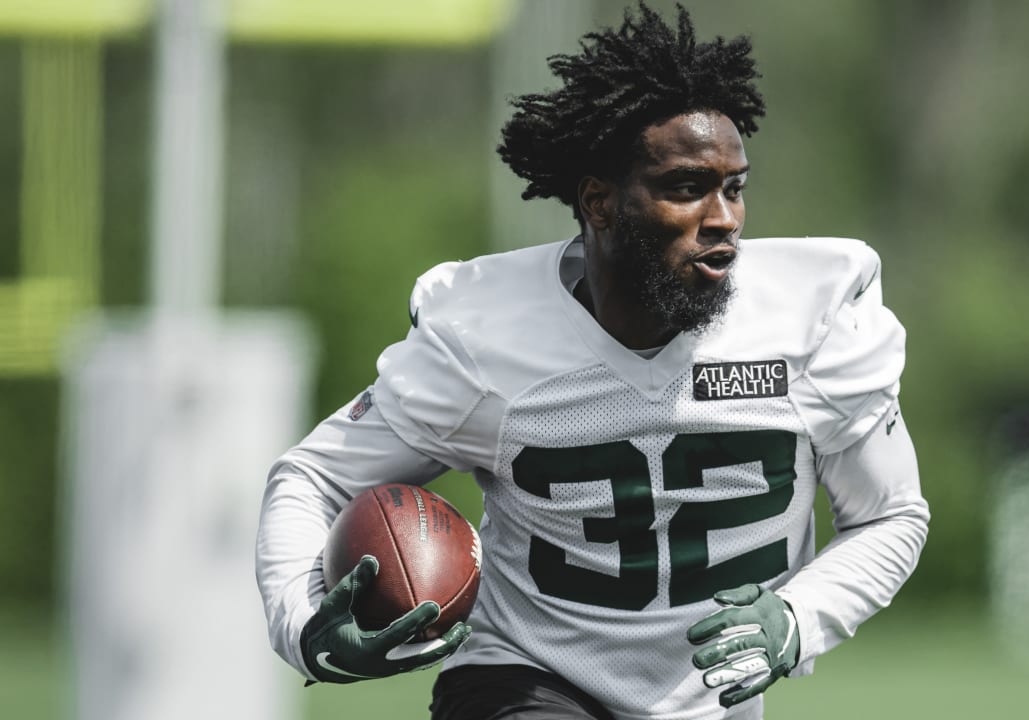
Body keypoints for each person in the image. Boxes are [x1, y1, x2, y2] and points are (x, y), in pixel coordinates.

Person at [255, 4, 929, 719]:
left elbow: (891, 516)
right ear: (600, 203)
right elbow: (312, 476)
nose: (724, 217)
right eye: (685, 187)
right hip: (527, 676)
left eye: (734, 187)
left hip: (710, 702)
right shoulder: (490, 336)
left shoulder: (811, 322)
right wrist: (302, 623)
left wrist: (799, 618)